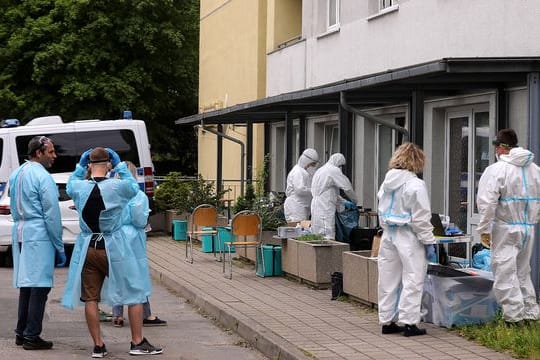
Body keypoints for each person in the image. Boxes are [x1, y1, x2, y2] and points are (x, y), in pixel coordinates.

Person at [61, 147, 162, 357]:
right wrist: (120, 167)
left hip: (88, 245)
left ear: (89, 164)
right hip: (114, 246)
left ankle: (98, 345)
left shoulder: (79, 187)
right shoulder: (117, 186)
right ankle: (137, 342)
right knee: (134, 292)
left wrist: (80, 167)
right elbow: (135, 189)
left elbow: (70, 184)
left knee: (90, 298)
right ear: (108, 165)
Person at [477, 128, 540, 325]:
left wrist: (484, 229)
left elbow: (487, 203)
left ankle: (513, 318)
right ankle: (530, 314)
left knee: (505, 272)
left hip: (505, 228)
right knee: (522, 272)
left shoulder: (497, 170)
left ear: (502, 148)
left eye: (496, 147)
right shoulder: (535, 169)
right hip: (528, 228)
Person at [10, 135, 66, 350]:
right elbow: (52, 213)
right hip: (39, 234)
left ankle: (21, 333)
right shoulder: (43, 177)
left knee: (26, 285)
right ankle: (32, 336)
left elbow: (15, 209)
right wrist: (58, 245)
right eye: (50, 152)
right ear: (38, 153)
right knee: (40, 287)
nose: (55, 155)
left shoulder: (17, 173)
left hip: (22, 232)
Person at [377, 142, 434, 337]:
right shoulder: (415, 184)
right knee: (413, 278)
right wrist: (428, 241)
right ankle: (410, 323)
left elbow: (381, 209)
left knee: (388, 278)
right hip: (409, 236)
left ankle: (387, 321)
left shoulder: (386, 183)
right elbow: (421, 217)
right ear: (417, 161)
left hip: (388, 234)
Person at [112, 161, 167, 328]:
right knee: (137, 276)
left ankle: (117, 315)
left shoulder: (112, 193)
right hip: (133, 237)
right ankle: (146, 314)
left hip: (116, 236)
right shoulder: (137, 195)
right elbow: (139, 219)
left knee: (119, 275)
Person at [310, 153, 357, 238]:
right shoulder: (334, 170)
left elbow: (327, 192)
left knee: (317, 233)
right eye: (341, 166)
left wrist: (342, 201)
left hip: (316, 206)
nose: (341, 168)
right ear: (338, 163)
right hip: (325, 207)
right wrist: (354, 200)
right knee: (328, 234)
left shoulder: (320, 170)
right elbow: (347, 187)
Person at [283, 148, 319, 224]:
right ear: (307, 162)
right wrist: (314, 190)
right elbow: (300, 190)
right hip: (296, 206)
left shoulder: (302, 171)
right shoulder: (298, 172)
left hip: (300, 206)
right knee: (297, 229)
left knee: (299, 229)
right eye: (312, 164)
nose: (313, 166)